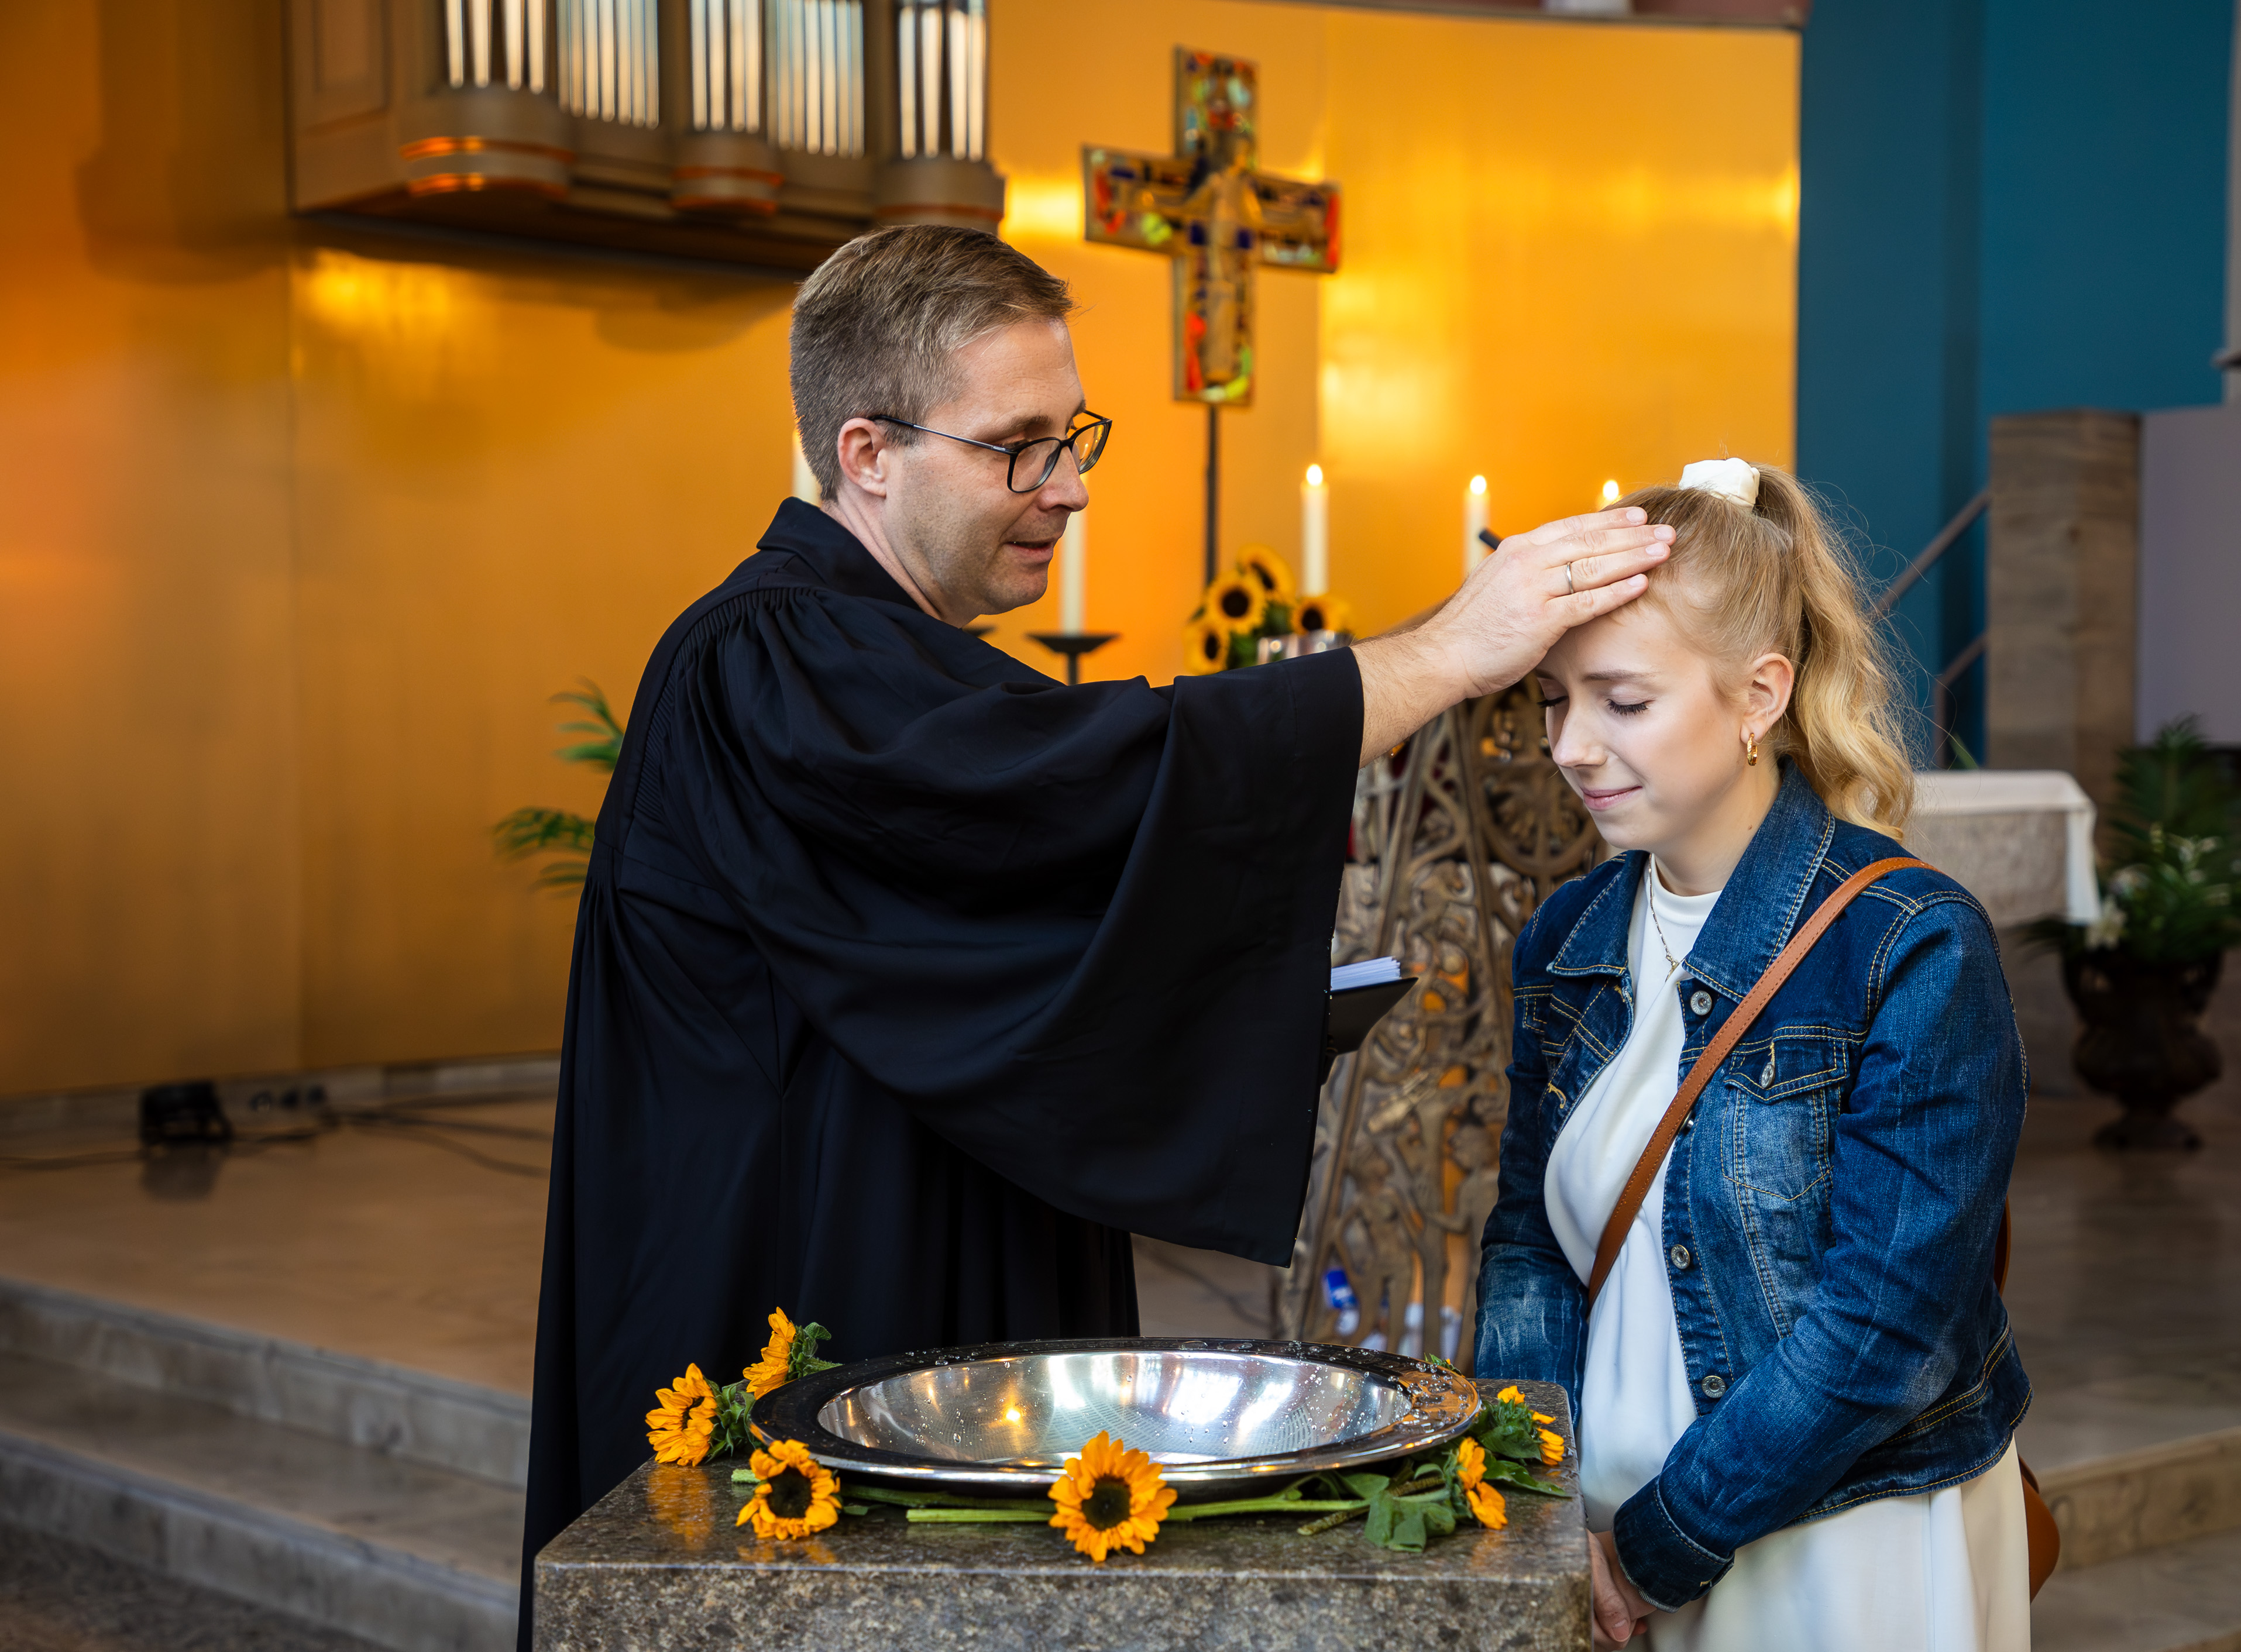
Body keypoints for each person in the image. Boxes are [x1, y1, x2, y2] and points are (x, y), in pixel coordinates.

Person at [519, 223, 1672, 1620]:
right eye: (1018, 446)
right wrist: (1441, 654)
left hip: (920, 1252)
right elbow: (1062, 792)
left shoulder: (873, 653)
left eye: (1075, 439)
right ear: (868, 453)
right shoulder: (768, 649)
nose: (1067, 489)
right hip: (794, 1283)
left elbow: (996, 922)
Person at [1474, 457, 2032, 1651]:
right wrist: (1535, 1508)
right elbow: (1528, 1240)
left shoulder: (1909, 945)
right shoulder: (1568, 935)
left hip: (1839, 1545)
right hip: (1604, 1549)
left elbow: (1886, 1322)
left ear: (1759, 694)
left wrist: (1660, 1541)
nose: (1572, 744)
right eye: (1554, 700)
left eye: (1621, 702)